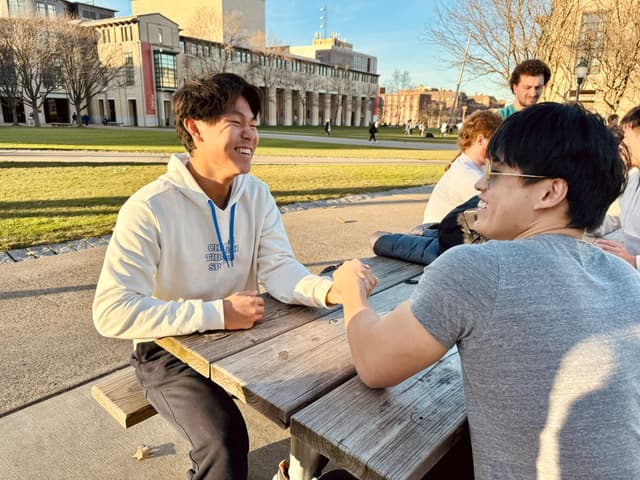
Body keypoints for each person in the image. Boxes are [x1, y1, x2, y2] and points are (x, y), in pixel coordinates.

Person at [332, 103, 639, 479]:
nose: (480, 185)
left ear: (550, 193)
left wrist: (351, 292)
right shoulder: (626, 278)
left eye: (496, 172)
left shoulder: (478, 268)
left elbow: (374, 363)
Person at [93, 73, 369, 480]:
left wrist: (330, 291)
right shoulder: (150, 207)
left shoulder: (255, 194)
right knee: (224, 443)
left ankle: (296, 472)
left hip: (241, 340)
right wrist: (218, 313)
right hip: (170, 353)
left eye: (254, 124)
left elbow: (279, 269)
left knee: (336, 389)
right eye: (236, 123)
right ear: (194, 128)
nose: (250, 135)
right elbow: (111, 311)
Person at [423, 110, 502, 224]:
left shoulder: (472, 166)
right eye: (496, 142)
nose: (498, 148)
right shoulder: (466, 174)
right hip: (436, 235)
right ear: (480, 140)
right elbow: (498, 209)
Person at [594, 105, 640, 270]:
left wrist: (635, 261)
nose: (622, 144)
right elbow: (622, 218)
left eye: (627, 138)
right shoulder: (633, 176)